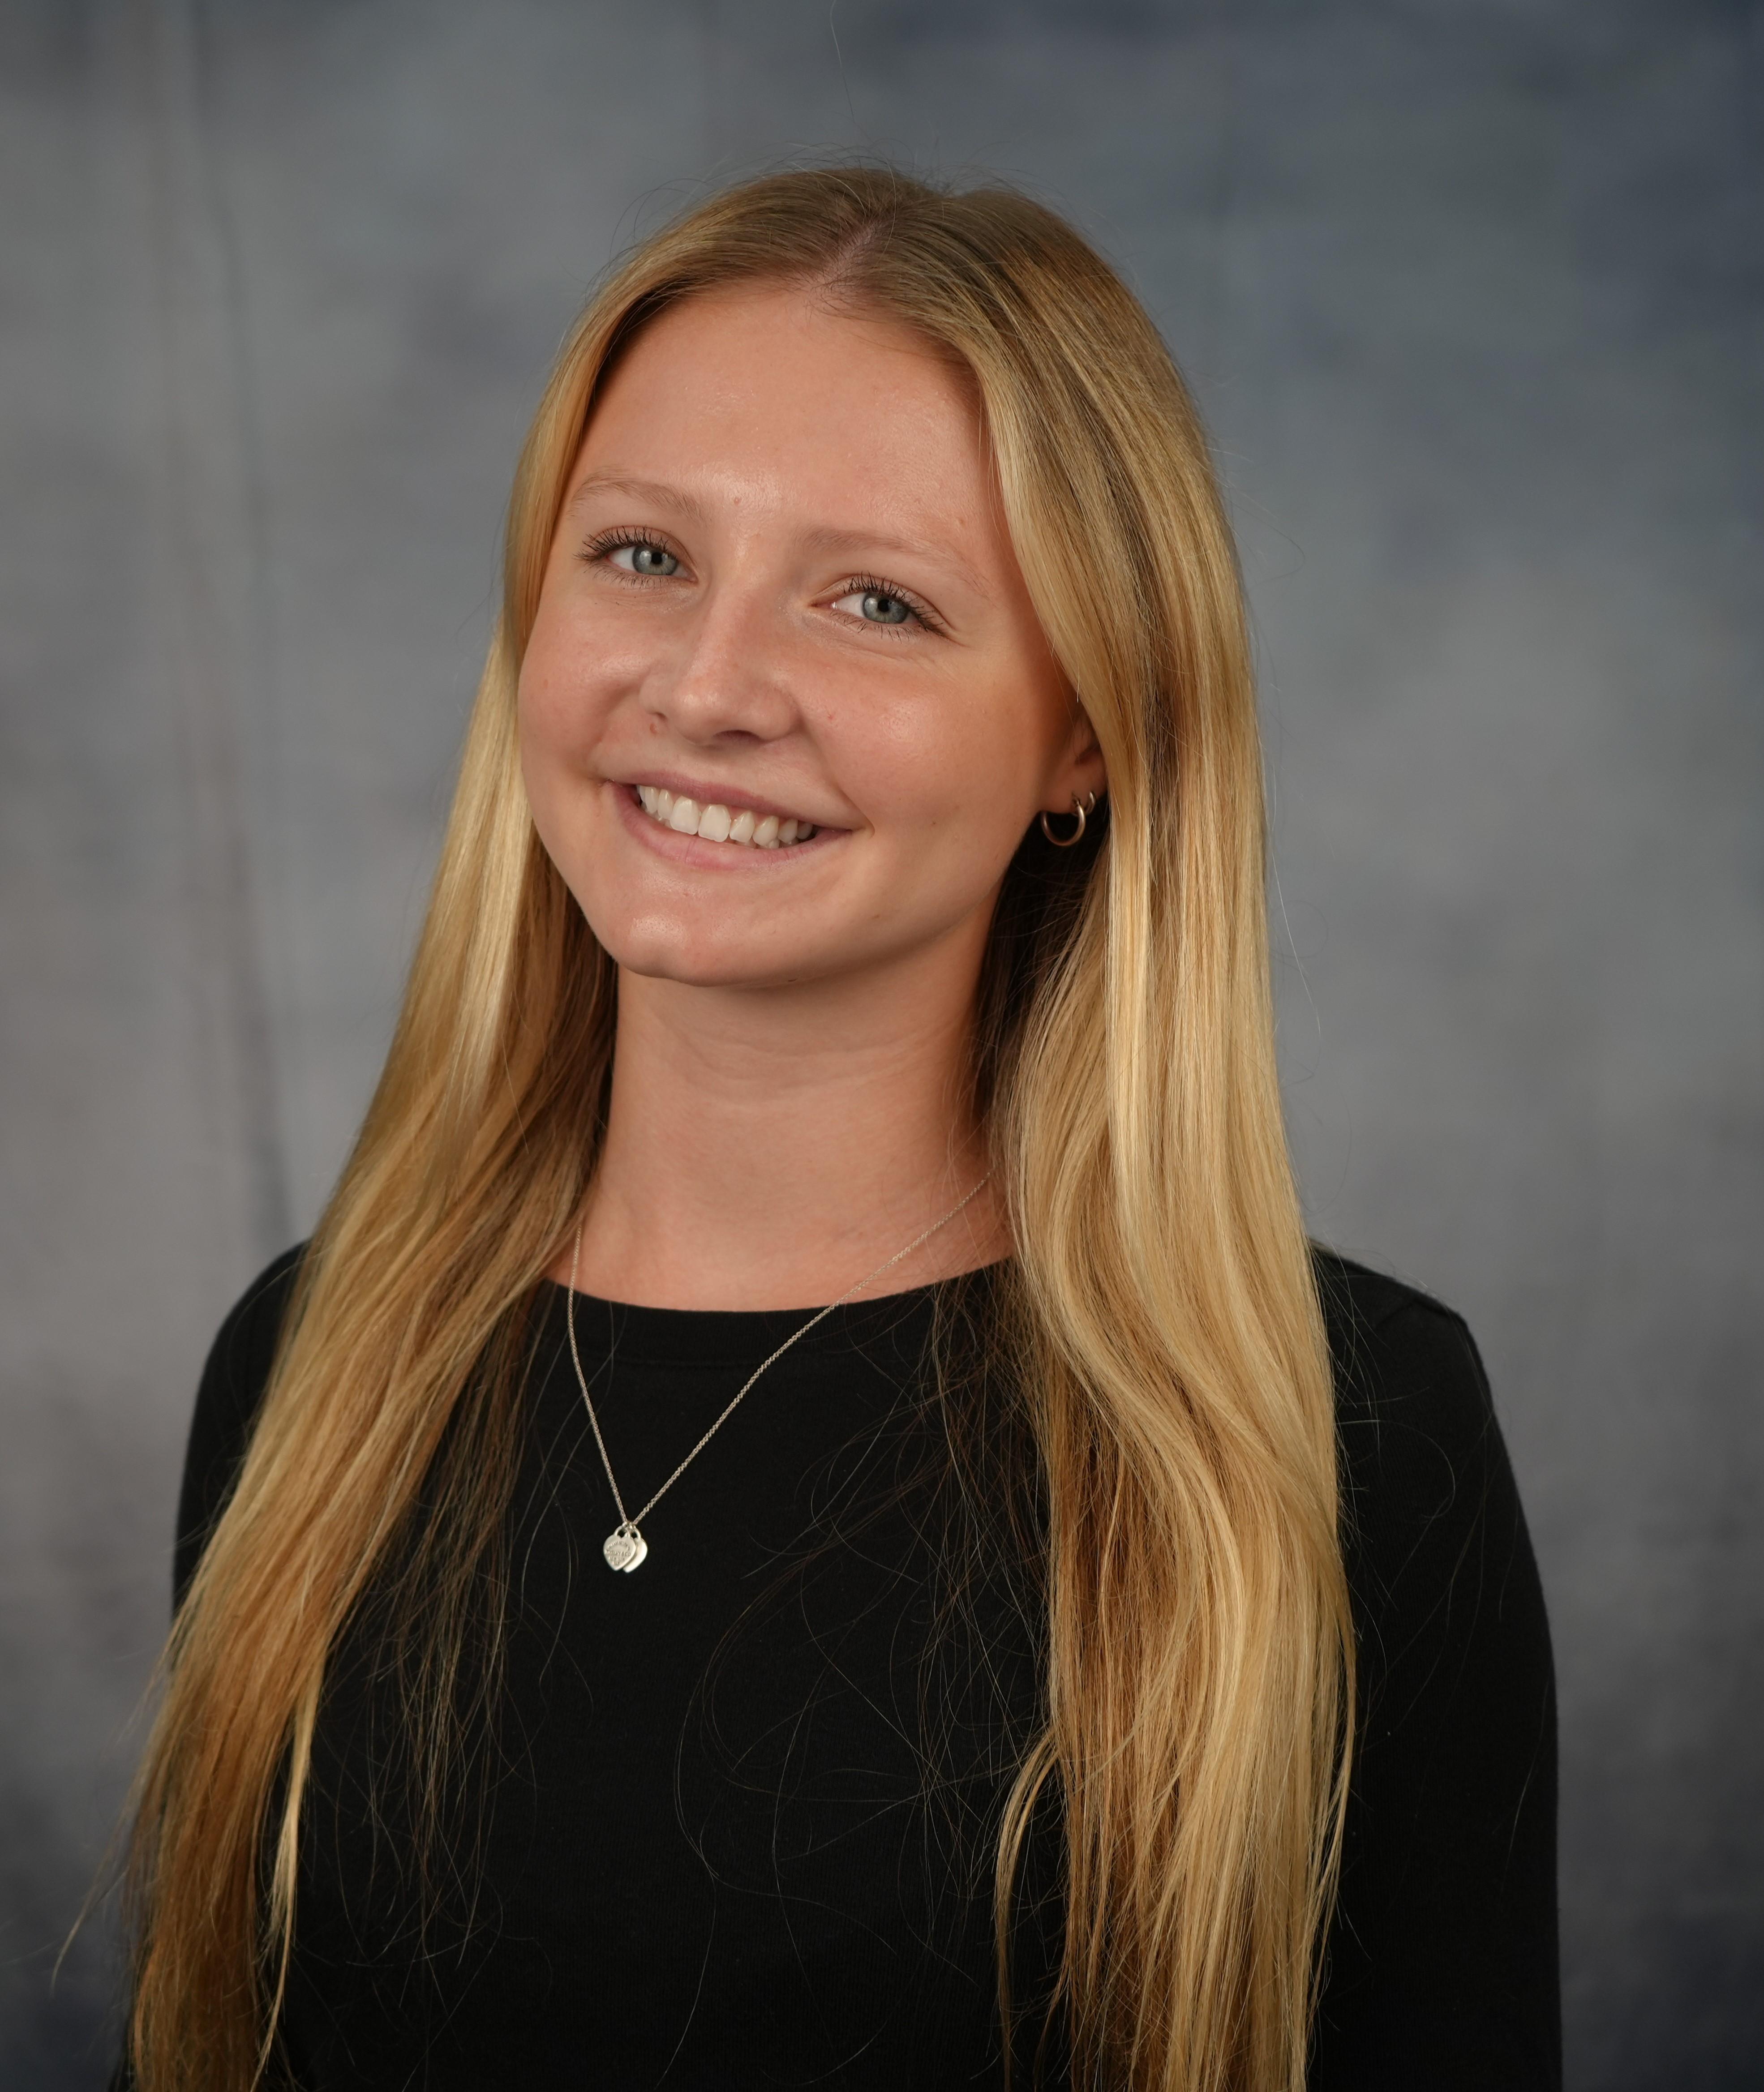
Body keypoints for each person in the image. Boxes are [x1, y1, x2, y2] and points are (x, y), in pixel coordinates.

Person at [116, 168, 1558, 2092]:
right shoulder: (313, 1360)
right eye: (641, 556)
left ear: (1085, 737)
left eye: (874, 599)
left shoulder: (1342, 1432)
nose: (707, 689)